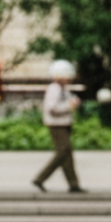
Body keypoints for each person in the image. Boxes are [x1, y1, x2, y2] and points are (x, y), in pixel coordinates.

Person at [32, 59, 84, 193]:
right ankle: (40, 178)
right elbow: (52, 108)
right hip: (56, 124)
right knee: (62, 152)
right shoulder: (54, 89)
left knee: (67, 154)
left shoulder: (62, 89)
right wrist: (69, 106)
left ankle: (73, 184)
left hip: (64, 123)